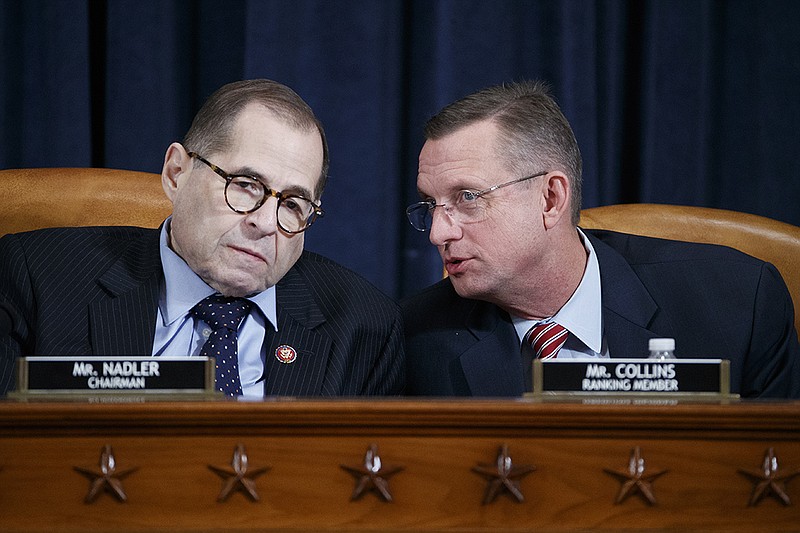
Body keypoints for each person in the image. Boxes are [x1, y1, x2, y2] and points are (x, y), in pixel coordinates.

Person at [0, 79, 404, 397]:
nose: (265, 223)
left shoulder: (364, 327)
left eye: (294, 204)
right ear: (176, 173)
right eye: (246, 185)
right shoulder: (35, 277)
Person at [402, 80, 800, 398]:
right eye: (430, 204)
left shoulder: (736, 303)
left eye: (467, 198)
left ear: (550, 198)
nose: (439, 233)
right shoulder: (413, 339)